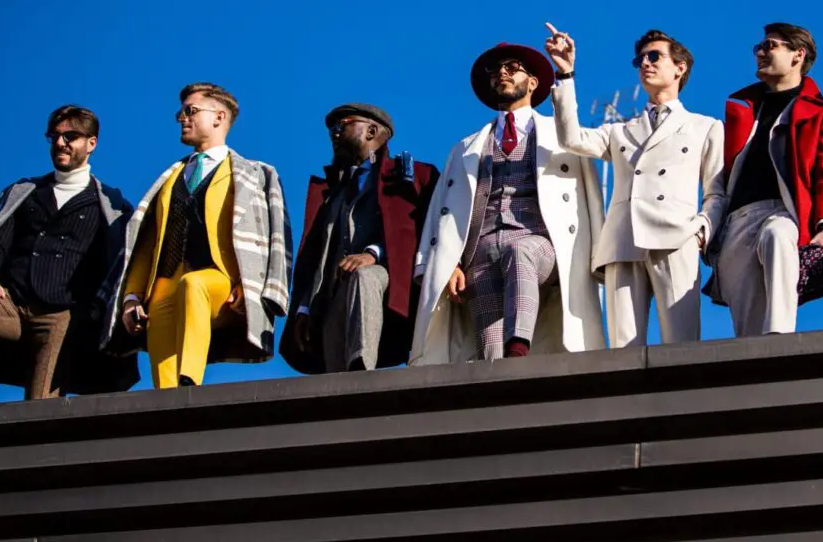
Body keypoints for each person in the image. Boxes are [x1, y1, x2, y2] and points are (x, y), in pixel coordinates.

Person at [411, 42, 605, 364]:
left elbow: (592, 197)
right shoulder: (464, 148)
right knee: (488, 354)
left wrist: (601, 256)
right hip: (479, 252)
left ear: (533, 82)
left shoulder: (561, 138)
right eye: (496, 69)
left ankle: (519, 346)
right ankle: (498, 381)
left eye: (512, 67)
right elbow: (441, 211)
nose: (502, 72)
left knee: (520, 252)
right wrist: (446, 264)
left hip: (539, 242)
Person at [101, 83, 293, 388]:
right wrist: (132, 297)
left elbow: (276, 239)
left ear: (218, 117)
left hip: (221, 281)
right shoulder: (170, 178)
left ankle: (190, 381)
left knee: (194, 284)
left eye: (190, 111)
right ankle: (167, 402)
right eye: (180, 113)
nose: (182, 118)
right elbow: (147, 244)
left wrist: (253, 288)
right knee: (161, 319)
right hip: (166, 281)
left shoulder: (256, 174)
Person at [545, 24, 724, 347]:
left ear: (680, 67)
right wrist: (566, 74)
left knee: (681, 346)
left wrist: (700, 230)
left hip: (676, 238)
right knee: (622, 350)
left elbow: (716, 192)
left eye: (654, 56)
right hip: (623, 241)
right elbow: (571, 138)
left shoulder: (705, 126)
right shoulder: (620, 130)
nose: (644, 63)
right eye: (639, 59)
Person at [705, 23, 823, 335]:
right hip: (737, 220)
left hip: (785, 212)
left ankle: (780, 338)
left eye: (770, 45)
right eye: (758, 47)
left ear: (798, 54)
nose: (760, 52)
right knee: (747, 329)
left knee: (777, 235)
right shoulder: (744, 111)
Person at [0, 105, 137, 398]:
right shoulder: (23, 192)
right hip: (10, 303)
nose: (60, 143)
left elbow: (118, 265)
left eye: (70, 136)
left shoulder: (112, 206)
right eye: (54, 136)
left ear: (91, 143)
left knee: (41, 403)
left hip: (63, 316)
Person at [282, 103, 438, 373]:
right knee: (333, 375)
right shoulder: (331, 192)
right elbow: (314, 256)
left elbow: (425, 230)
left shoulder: (413, 177)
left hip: (390, 282)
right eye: (332, 128)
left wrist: (374, 253)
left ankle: (362, 369)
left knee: (364, 277)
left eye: (342, 125)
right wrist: (304, 309)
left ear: (371, 131)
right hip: (334, 291)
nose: (334, 133)